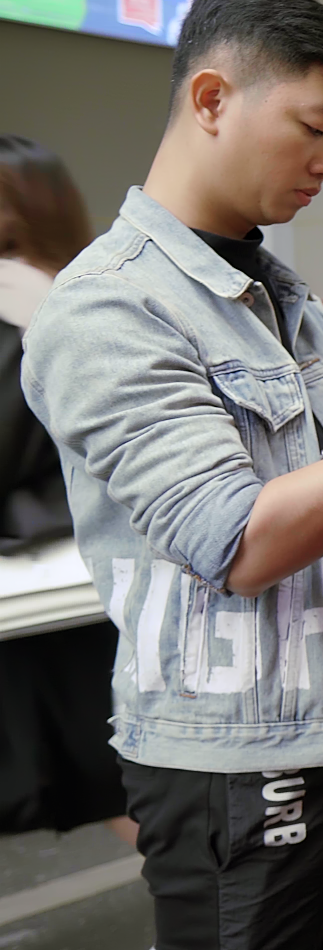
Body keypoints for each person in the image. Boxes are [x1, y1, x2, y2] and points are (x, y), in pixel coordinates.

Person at [22, 0, 323, 950]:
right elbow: (236, 536)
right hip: (243, 765)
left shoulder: (285, 301)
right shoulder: (108, 307)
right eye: (313, 128)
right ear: (211, 99)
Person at [0, 137, 140, 851]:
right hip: (96, 567)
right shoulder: (95, 286)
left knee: (98, 761)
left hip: (37, 578)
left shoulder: (14, 303)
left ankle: (211, 932)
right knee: (114, 762)